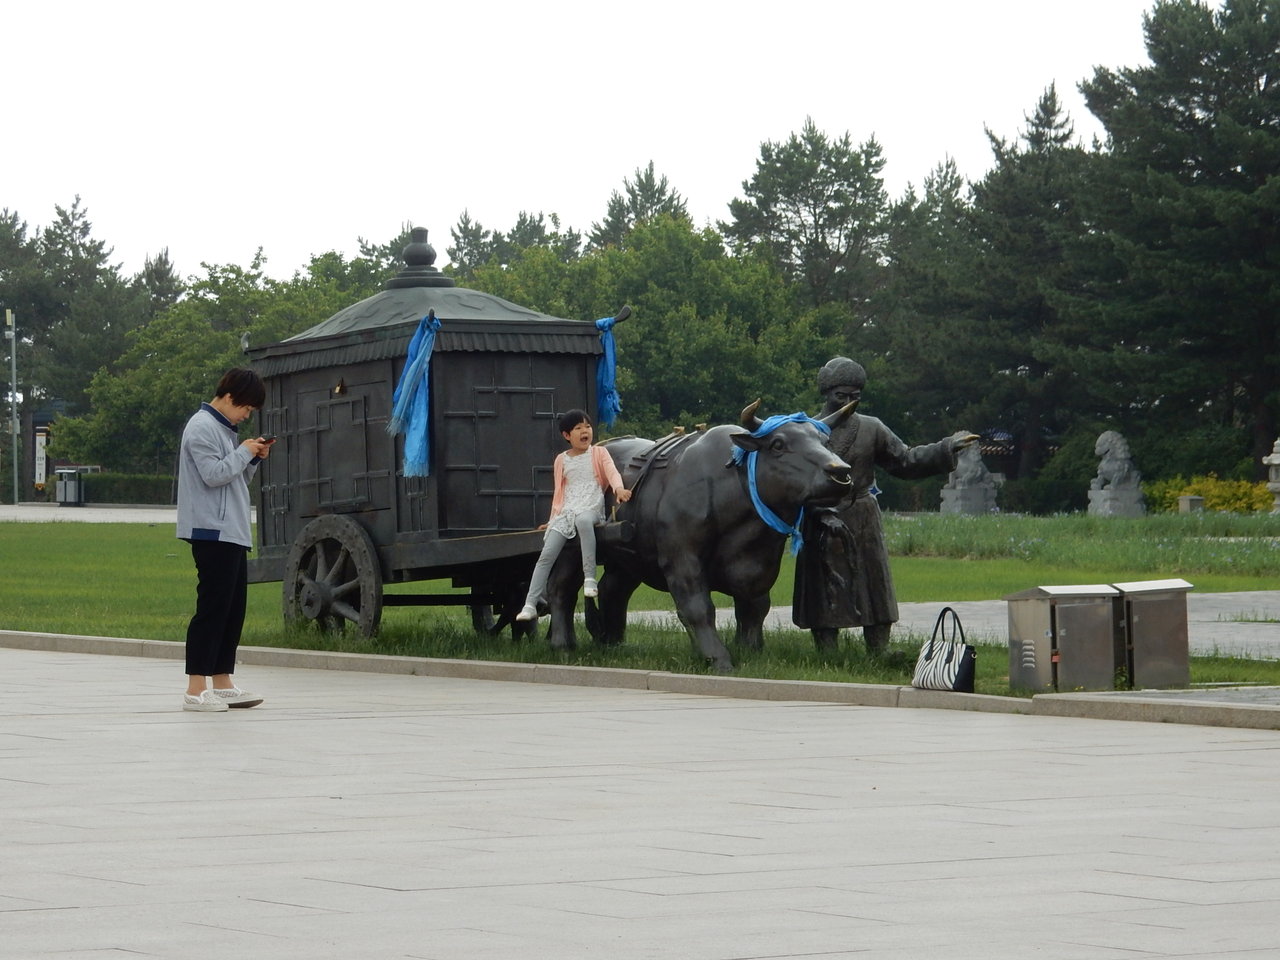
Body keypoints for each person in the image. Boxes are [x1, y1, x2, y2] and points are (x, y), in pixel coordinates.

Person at [793, 357, 977, 652]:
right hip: (822, 517)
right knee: (825, 586)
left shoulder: (872, 428)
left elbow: (905, 460)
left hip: (864, 515)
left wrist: (944, 448)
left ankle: (879, 649)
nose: (848, 403)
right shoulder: (806, 431)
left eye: (855, 396)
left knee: (875, 585)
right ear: (826, 392)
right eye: (841, 395)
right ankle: (827, 652)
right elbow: (796, 482)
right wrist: (819, 512)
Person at [176, 368, 274, 712]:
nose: (246, 415)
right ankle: (195, 688)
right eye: (245, 408)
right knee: (213, 609)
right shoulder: (201, 427)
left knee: (232, 610)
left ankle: (222, 681)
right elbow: (213, 475)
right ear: (230, 397)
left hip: (231, 531)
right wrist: (244, 452)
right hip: (211, 531)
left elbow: (235, 480)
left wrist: (252, 458)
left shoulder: (224, 430)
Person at [516, 409, 632, 621]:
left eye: (587, 426)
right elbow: (559, 493)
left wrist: (619, 489)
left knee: (584, 521)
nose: (585, 431)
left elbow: (611, 472)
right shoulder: (561, 460)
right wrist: (552, 520)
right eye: (578, 428)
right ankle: (530, 603)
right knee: (547, 554)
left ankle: (590, 578)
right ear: (567, 435)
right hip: (567, 511)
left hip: (591, 507)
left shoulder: (599, 453)